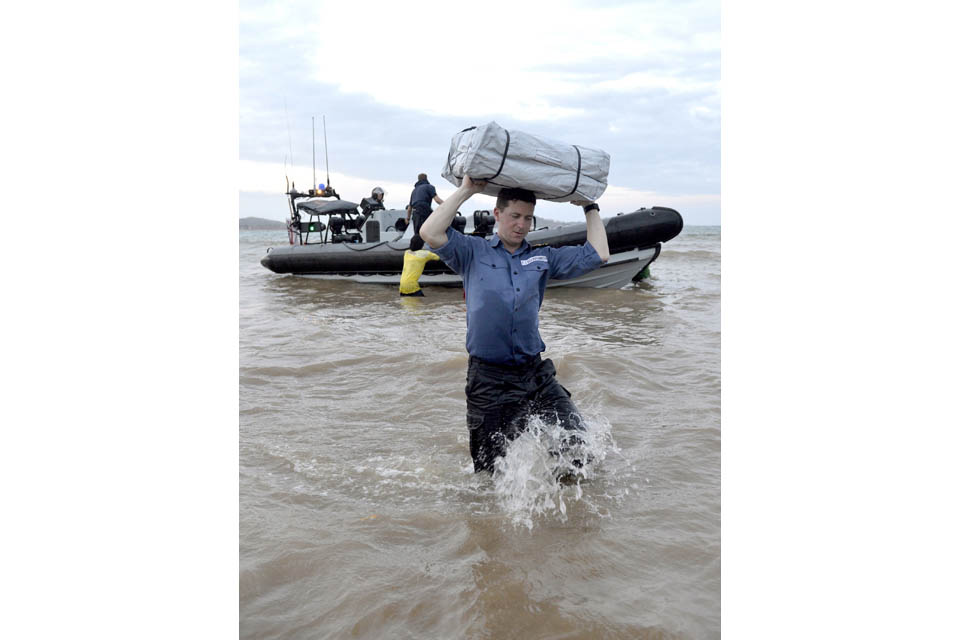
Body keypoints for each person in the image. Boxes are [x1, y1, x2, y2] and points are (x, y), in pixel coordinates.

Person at [419, 175, 610, 473]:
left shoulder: (541, 257)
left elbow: (599, 254)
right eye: (515, 216)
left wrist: (589, 206)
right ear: (498, 214)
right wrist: (467, 189)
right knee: (487, 474)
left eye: (528, 218)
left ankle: (562, 513)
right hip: (489, 380)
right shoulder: (472, 252)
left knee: (576, 449)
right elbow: (429, 232)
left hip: (535, 375)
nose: (521, 225)